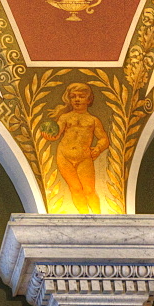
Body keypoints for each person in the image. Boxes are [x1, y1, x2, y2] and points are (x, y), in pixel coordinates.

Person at [45, 82, 109, 214]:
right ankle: (83, 216)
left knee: (89, 190)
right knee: (75, 188)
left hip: (84, 158)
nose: (77, 99)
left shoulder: (93, 120)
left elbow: (104, 139)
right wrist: (49, 136)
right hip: (64, 156)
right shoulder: (65, 117)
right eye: (73, 97)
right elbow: (56, 134)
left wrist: (98, 148)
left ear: (89, 99)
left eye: (81, 96)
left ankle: (98, 217)